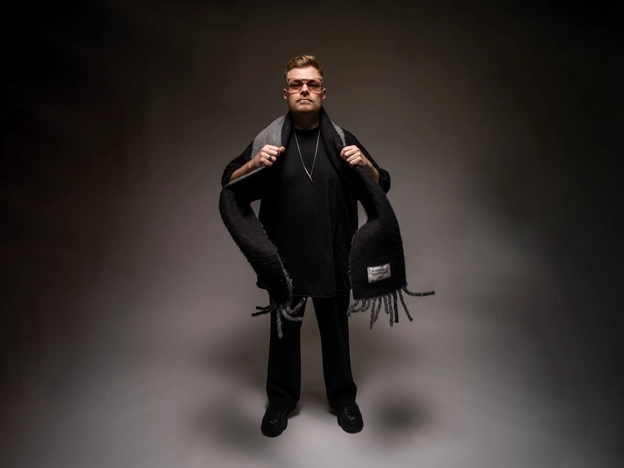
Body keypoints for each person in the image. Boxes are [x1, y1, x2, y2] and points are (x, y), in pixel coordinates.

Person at [220, 55, 391, 437]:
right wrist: (253, 164)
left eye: (312, 84)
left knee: (337, 334)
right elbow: (228, 180)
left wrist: (365, 164)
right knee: (283, 333)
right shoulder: (268, 140)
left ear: (323, 93)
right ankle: (280, 404)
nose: (304, 90)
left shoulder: (342, 140)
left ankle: (343, 399)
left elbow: (382, 185)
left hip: (335, 255)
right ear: (286, 93)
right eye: (297, 84)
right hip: (284, 259)